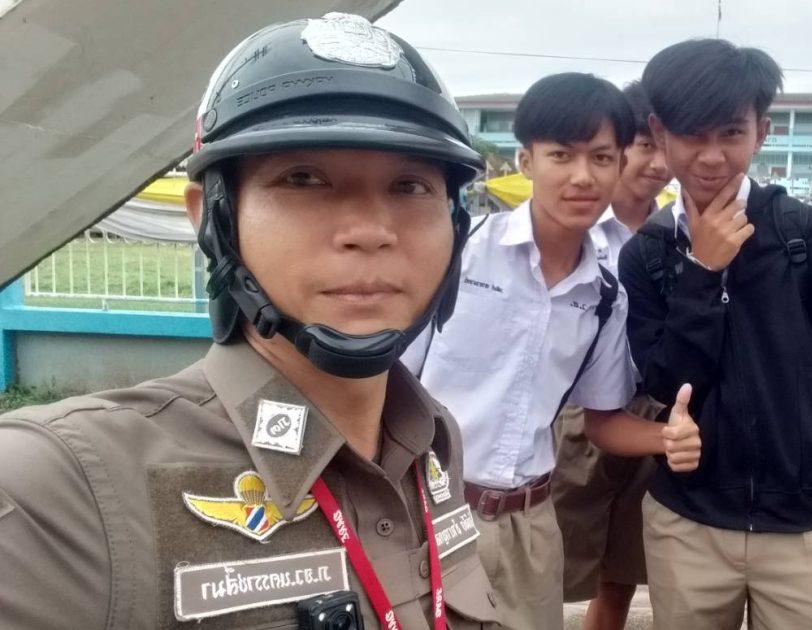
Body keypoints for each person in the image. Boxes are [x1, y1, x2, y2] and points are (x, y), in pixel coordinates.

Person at [0, 13, 503, 629]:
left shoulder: (432, 437)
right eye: (303, 178)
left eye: (411, 186)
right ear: (210, 217)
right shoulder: (65, 490)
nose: (371, 230)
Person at [594, 38, 812, 629]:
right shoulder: (647, 254)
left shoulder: (810, 236)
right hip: (687, 525)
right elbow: (666, 384)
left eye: (731, 133)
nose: (711, 157)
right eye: (692, 135)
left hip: (810, 529)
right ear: (659, 132)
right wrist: (703, 273)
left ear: (761, 132)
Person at [402, 72, 700, 630]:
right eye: (561, 155)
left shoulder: (606, 296)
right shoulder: (457, 253)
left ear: (618, 166)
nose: (582, 176)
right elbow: (386, 382)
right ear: (526, 161)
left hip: (531, 525)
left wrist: (667, 438)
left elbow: (603, 420)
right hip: (429, 511)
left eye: (601, 157)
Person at [552, 80, 675, 630]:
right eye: (645, 146)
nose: (658, 164)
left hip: (650, 412)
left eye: (665, 148)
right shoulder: (572, 226)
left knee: (622, 569)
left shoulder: (677, 232)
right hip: (577, 414)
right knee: (553, 559)